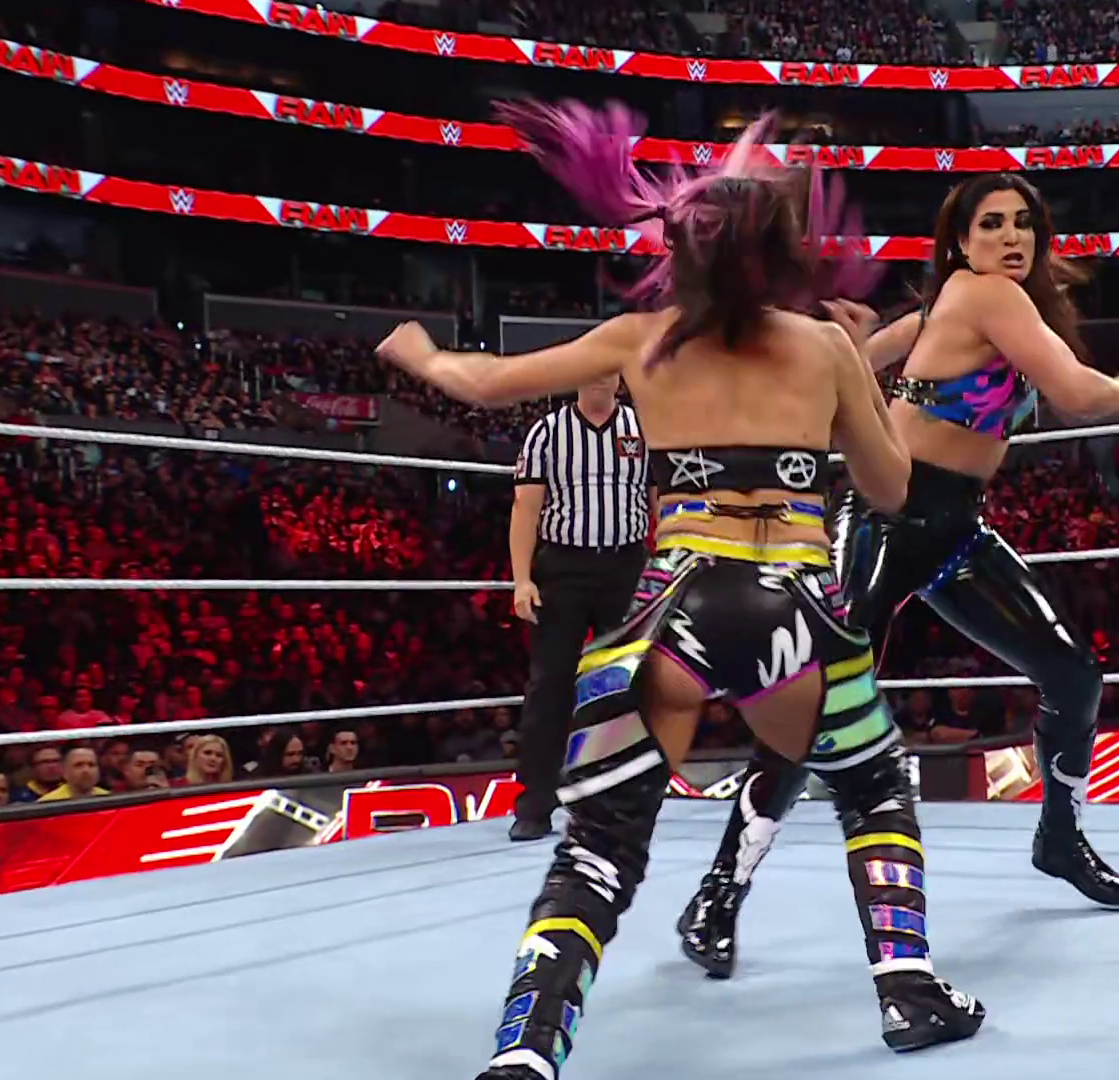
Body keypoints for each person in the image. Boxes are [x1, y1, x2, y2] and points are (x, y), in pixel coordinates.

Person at [376, 100, 984, 1079]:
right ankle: (908, 989)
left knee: (596, 846)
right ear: (782, 253)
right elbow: (891, 489)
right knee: (873, 785)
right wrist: (860, 386)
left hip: (672, 608)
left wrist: (419, 353)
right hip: (796, 607)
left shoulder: (639, 340)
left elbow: (484, 381)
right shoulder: (824, 346)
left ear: (681, 256)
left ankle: (526, 1051)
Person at [677, 173, 1119, 978]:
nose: (1011, 238)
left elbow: (859, 358)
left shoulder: (952, 306)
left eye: (1023, 224)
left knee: (1072, 673)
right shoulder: (988, 295)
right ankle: (718, 892)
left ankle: (1060, 836)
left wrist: (856, 346)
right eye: (991, 225)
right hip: (882, 513)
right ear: (961, 243)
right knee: (820, 697)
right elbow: (1076, 392)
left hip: (955, 529)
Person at [509, 378, 651, 840]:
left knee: (622, 686)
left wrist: (664, 562)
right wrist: (522, 579)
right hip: (563, 569)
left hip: (625, 566)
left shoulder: (642, 427)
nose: (599, 378)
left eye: (608, 370)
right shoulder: (547, 432)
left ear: (618, 377)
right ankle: (535, 804)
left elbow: (658, 500)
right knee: (550, 684)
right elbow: (525, 509)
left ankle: (617, 799)